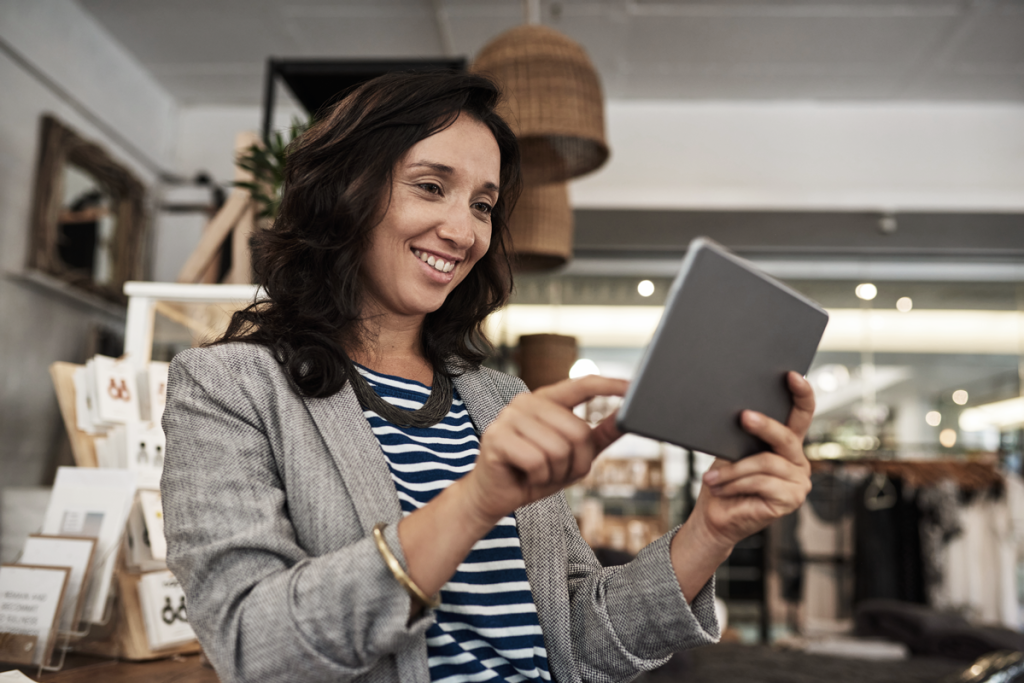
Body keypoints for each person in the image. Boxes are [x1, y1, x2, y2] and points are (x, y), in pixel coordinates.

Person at [161, 71, 815, 683]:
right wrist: (476, 501)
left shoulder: (498, 398)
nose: (463, 230)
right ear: (345, 190)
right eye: (430, 185)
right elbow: (250, 644)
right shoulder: (228, 386)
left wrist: (712, 529)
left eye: (483, 204)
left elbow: (577, 637)